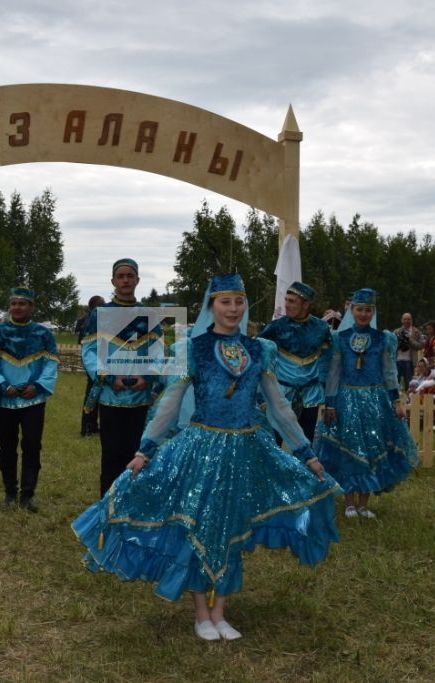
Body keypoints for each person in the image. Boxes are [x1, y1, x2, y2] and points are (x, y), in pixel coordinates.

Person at [73, 273, 341, 641]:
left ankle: (221, 611)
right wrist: (145, 450)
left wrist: (306, 454)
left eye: (239, 302)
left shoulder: (260, 349)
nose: (233, 309)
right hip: (201, 447)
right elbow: (170, 403)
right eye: (225, 302)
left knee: (230, 526)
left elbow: (279, 408)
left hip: (246, 448)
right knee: (202, 525)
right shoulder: (192, 349)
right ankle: (202, 613)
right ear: (210, 306)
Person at [313, 288, 420, 519]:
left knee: (372, 449)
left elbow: (389, 372)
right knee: (349, 450)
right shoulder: (339, 339)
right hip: (346, 399)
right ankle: (349, 502)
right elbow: (334, 373)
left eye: (368, 310)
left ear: (373, 312)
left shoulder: (384, 339)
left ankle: (363, 503)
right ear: (351, 309)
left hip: (375, 400)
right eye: (359, 309)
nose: (363, 314)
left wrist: (396, 400)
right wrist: (330, 403)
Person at [82, 259, 159, 495]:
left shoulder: (148, 314)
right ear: (113, 281)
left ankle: (133, 504)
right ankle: (109, 503)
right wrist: (108, 376)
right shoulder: (100, 314)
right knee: (112, 453)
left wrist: (148, 376)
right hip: (111, 395)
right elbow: (89, 349)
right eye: (121, 276)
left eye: (130, 275)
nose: (125, 280)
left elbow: (157, 349)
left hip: (140, 396)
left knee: (137, 453)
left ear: (137, 280)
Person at [0, 287, 58, 513]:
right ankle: (9, 492)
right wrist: (3, 385)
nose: (17, 307)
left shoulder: (43, 335)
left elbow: (51, 363)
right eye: (13, 303)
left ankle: (27, 495)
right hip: (5, 400)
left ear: (31, 307)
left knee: (32, 446)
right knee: (6, 448)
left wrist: (37, 386)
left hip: (33, 400)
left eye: (22, 303)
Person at [257, 281, 333, 439]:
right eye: (286, 300)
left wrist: (326, 392)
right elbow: (258, 357)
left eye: (291, 301)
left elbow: (326, 362)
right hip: (281, 395)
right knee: (275, 440)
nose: (286, 305)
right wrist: (261, 395)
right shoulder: (276, 327)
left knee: (306, 440)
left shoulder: (321, 328)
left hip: (310, 395)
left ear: (305, 304)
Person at [79, 295, 104, 437]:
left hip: (100, 360)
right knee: (92, 393)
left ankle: (93, 425)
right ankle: (87, 427)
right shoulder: (88, 323)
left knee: (98, 394)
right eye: (101, 305)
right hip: (92, 362)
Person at [392, 312, 425, 390]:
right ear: (402, 320)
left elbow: (421, 345)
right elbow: (391, 346)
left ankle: (408, 399)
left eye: (408, 319)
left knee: (409, 384)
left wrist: (410, 339)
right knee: (395, 383)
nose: (406, 321)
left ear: (411, 320)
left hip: (410, 361)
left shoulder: (416, 332)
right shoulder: (396, 331)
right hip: (397, 360)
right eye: (405, 319)